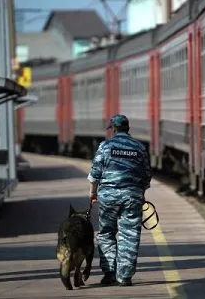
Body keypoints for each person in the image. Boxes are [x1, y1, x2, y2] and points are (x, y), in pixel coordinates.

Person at [87, 114, 152, 286]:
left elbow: (95, 173)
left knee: (106, 233)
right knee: (129, 234)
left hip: (109, 196)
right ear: (127, 128)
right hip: (132, 196)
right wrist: (141, 194)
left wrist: (93, 193)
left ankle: (109, 273)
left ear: (113, 129)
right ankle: (124, 277)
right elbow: (146, 175)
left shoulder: (106, 146)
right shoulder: (139, 147)